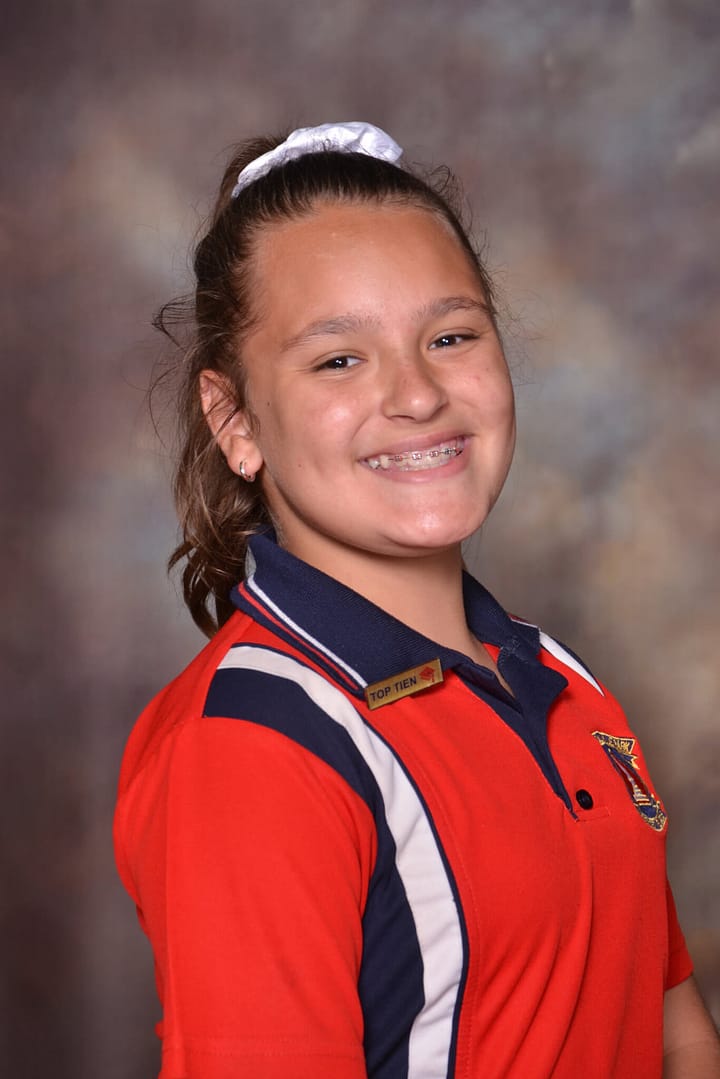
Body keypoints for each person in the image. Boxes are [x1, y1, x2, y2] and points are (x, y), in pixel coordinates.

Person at [114, 122, 720, 1079]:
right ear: (235, 422)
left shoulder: (558, 678)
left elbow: (672, 1028)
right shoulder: (252, 743)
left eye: (450, 337)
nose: (418, 394)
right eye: (339, 359)